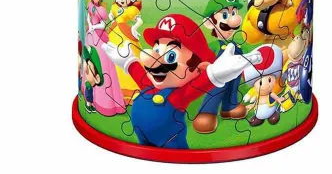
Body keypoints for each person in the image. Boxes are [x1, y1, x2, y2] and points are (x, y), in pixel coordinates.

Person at [103, 14, 262, 149]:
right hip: (142, 144)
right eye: (156, 49)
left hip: (171, 146)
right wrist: (128, 62)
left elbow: (202, 83)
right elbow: (140, 75)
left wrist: (216, 73)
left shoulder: (179, 96)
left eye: (171, 56)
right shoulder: (150, 86)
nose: (151, 58)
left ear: (198, 69)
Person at [193, 0, 247, 133]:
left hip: (234, 71)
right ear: (210, 22)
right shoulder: (215, 45)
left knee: (233, 85)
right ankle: (207, 111)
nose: (233, 19)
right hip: (217, 76)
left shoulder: (236, 45)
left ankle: (230, 106)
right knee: (217, 89)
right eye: (225, 15)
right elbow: (203, 58)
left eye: (234, 13)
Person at [86, 0, 126, 115]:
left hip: (100, 38)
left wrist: (93, 26)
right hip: (91, 37)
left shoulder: (102, 10)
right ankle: (91, 99)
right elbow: (89, 15)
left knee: (104, 68)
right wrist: (89, 24)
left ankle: (107, 103)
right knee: (91, 66)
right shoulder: (90, 4)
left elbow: (103, 25)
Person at [108, 0, 143, 104]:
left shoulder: (132, 9)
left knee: (130, 58)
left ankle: (131, 91)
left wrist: (134, 28)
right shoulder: (114, 7)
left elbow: (139, 20)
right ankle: (113, 90)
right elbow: (111, 15)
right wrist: (112, 20)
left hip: (126, 34)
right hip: (114, 33)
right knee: (110, 58)